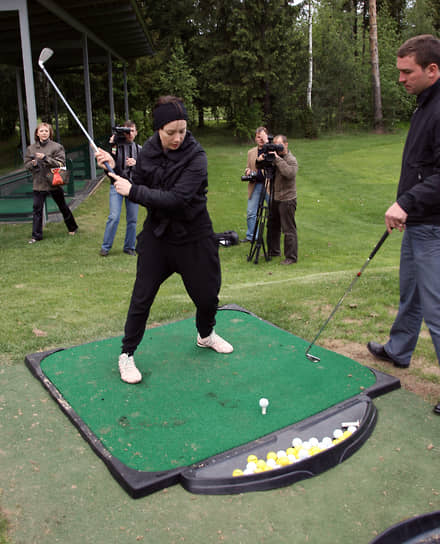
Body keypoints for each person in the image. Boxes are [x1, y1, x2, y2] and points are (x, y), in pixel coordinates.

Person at [95, 95, 233, 384]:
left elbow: (176, 199)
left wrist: (132, 190)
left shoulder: (197, 157)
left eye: (182, 131)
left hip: (194, 237)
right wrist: (113, 169)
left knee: (207, 298)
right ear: (159, 129)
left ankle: (205, 335)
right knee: (142, 297)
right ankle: (127, 355)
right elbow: (139, 186)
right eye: (171, 132)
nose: (178, 138)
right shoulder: (147, 153)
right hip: (158, 238)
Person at [366, 35, 440, 415]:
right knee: (410, 293)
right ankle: (399, 350)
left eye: (406, 72)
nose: (400, 79)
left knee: (436, 306)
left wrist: (406, 201)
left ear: (433, 69)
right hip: (419, 221)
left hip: (433, 226)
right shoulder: (425, 103)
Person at [24, 122, 78, 243]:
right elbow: (26, 164)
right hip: (38, 183)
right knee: (37, 210)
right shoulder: (31, 148)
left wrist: (45, 158)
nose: (44, 133)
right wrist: (32, 164)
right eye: (41, 131)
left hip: (54, 182)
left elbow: (61, 163)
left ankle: (72, 227)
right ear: (37, 133)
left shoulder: (57, 147)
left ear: (50, 133)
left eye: (46, 131)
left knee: (63, 206)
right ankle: (36, 236)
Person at [100, 121, 141, 256]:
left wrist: (136, 164)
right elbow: (108, 163)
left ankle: (129, 247)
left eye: (132, 130)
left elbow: (146, 169)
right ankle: (105, 247)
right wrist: (112, 143)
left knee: (132, 219)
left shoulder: (140, 149)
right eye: (127, 131)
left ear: (136, 132)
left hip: (133, 186)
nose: (130, 134)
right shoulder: (116, 147)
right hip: (116, 186)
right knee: (114, 216)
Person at [267, 134, 299, 265]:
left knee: (288, 228)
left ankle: (291, 257)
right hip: (275, 197)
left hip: (287, 199)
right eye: (275, 145)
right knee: (273, 226)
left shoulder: (291, 159)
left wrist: (277, 159)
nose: (277, 148)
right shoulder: (275, 157)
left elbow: (289, 173)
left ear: (286, 144)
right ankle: (274, 251)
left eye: (279, 145)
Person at [242, 127, 269, 242]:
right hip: (256, 184)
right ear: (255, 138)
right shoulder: (251, 152)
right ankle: (252, 236)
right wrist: (248, 171)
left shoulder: (271, 150)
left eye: (262, 137)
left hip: (269, 185)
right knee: (251, 212)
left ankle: (274, 235)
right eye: (258, 137)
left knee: (274, 210)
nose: (260, 139)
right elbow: (249, 166)